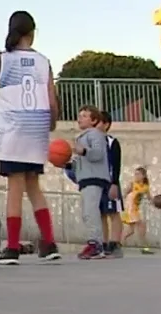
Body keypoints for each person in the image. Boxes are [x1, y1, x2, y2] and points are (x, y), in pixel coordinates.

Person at [0, 11, 61, 265]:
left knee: (15, 189)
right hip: (36, 130)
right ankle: (49, 243)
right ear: (32, 32)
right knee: (34, 187)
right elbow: (52, 100)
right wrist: (51, 124)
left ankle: (13, 247)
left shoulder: (3, 58)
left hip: (13, 131)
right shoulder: (43, 61)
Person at [70, 105, 110, 259]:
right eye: (80, 115)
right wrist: (67, 164)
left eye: (85, 116)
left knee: (91, 212)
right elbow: (81, 162)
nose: (80, 118)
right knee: (87, 213)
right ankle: (94, 242)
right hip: (86, 178)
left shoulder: (95, 134)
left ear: (94, 120)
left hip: (94, 178)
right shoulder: (83, 136)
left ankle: (96, 244)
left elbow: (98, 154)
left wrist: (84, 151)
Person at [97, 111, 124, 258]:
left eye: (99, 122)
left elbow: (116, 164)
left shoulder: (112, 142)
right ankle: (104, 243)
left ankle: (115, 243)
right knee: (100, 214)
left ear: (106, 124)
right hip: (97, 182)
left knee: (113, 212)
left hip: (110, 182)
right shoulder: (89, 143)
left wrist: (114, 183)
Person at [122, 167, 154, 254]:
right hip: (130, 208)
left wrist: (155, 202)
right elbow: (125, 194)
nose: (136, 176)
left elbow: (149, 197)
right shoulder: (132, 184)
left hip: (136, 208)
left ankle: (119, 242)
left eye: (138, 174)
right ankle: (145, 247)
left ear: (143, 176)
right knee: (141, 226)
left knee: (131, 230)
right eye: (135, 174)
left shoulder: (145, 186)